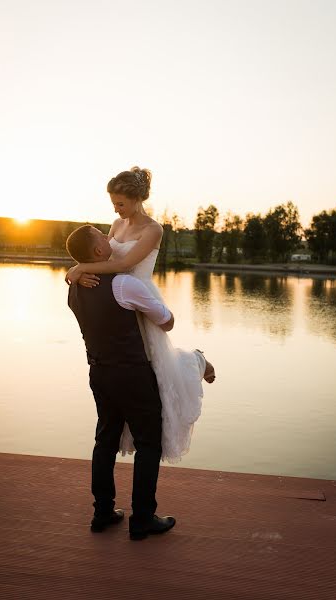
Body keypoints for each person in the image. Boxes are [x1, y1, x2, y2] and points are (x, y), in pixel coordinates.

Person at [66, 166, 215, 463]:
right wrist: (75, 271)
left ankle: (198, 362)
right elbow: (103, 257)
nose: (116, 210)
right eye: (113, 204)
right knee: (134, 375)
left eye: (121, 203)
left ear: (137, 199)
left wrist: (80, 268)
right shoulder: (115, 224)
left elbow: (122, 265)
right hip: (117, 298)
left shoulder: (153, 230)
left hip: (138, 294)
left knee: (157, 368)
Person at [67, 224, 176, 540]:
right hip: (131, 373)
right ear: (99, 251)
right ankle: (142, 519)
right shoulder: (125, 285)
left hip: (98, 373)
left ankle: (102, 513)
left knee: (105, 440)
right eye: (102, 236)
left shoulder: (73, 287)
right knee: (148, 443)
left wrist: (75, 272)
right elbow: (167, 321)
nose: (108, 236)